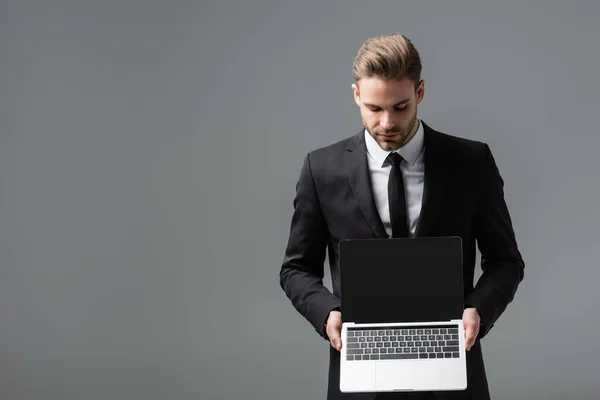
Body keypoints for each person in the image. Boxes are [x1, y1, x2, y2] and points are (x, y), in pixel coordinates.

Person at [279, 33, 524, 400]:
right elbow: (295, 269)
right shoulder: (322, 169)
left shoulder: (471, 163)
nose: (387, 123)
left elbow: (506, 261)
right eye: (375, 109)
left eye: (400, 107)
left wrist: (478, 309)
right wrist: (328, 312)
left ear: (420, 92)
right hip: (362, 359)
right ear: (356, 95)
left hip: (450, 356)